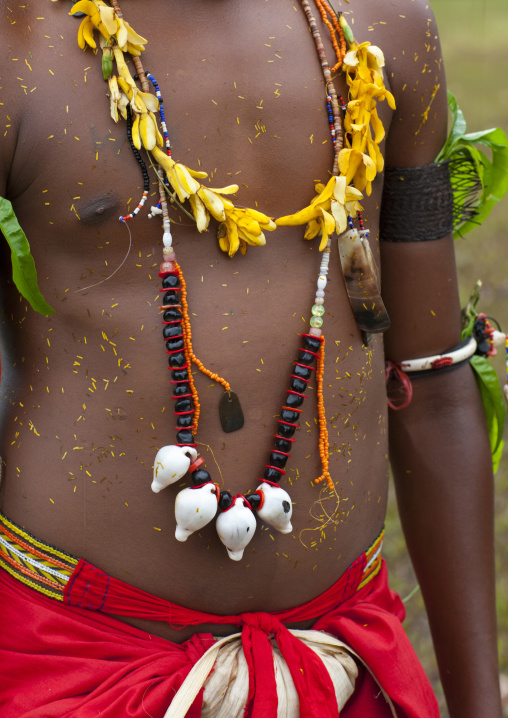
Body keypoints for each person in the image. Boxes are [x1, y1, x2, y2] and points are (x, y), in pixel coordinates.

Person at [0, 0, 503, 716]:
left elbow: (434, 380)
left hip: (343, 665)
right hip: (72, 668)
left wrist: (479, 704)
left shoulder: (388, 25)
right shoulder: (20, 40)